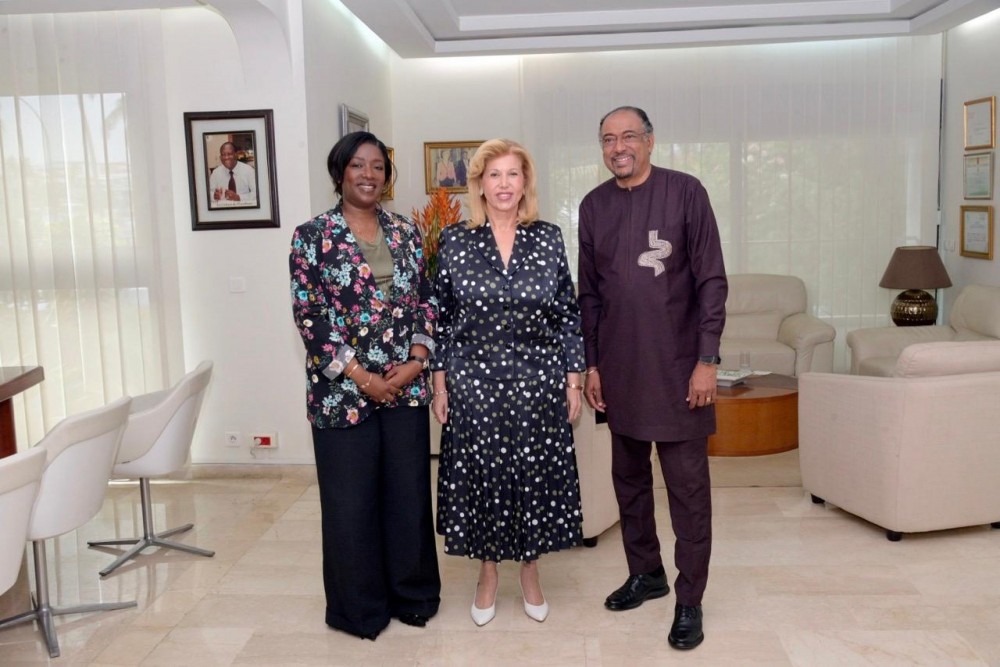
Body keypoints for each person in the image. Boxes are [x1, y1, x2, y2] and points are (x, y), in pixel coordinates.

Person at [577, 106, 727, 651]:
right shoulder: (593, 206)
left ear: (650, 141)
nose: (618, 147)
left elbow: (712, 281)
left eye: (628, 137)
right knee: (630, 483)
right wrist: (592, 364)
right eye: (608, 139)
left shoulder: (686, 192)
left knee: (687, 491)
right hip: (619, 371)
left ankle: (690, 599)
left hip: (679, 370)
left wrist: (707, 359)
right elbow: (589, 294)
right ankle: (647, 574)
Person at [289, 131, 440, 641]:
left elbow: (425, 301)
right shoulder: (312, 236)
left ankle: (414, 597)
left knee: (408, 498)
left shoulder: (405, 232)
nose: (369, 174)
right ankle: (359, 610)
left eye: (378, 166)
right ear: (340, 173)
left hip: (404, 387)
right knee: (350, 505)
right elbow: (310, 317)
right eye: (358, 165)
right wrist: (361, 376)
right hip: (342, 393)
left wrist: (418, 360)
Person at [432, 138, 585, 627]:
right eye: (493, 175)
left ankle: (531, 573)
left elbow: (567, 313)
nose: (503, 184)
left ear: (525, 183)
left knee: (532, 477)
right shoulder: (456, 241)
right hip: (474, 383)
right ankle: (488, 574)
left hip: (538, 382)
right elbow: (441, 318)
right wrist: (440, 386)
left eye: (512, 174)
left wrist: (574, 381)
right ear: (479, 184)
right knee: (484, 479)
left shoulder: (548, 238)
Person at [209, 141, 257, 205]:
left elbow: (257, 193)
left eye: (229, 154)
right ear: (220, 157)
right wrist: (214, 196)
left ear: (236, 155)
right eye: (223, 155)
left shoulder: (249, 170)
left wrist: (239, 197)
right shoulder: (216, 173)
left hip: (243, 208)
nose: (226, 157)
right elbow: (208, 193)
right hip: (223, 209)